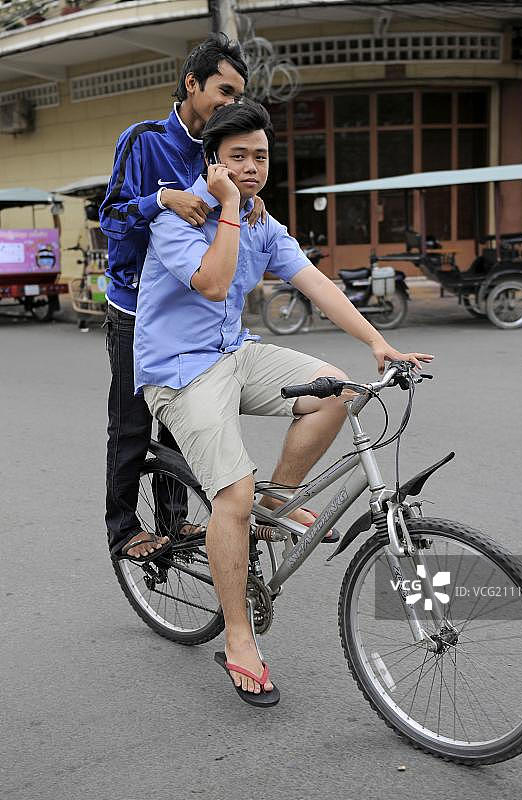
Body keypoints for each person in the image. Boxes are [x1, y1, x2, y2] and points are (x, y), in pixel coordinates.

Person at [133, 100, 434, 706]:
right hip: (180, 371)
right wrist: (224, 208)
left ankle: (280, 499)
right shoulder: (180, 217)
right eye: (237, 157)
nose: (251, 167)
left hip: (234, 353)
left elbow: (317, 284)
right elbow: (214, 283)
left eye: (260, 157)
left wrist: (379, 343)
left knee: (340, 392)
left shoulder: (264, 224)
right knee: (231, 495)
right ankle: (240, 640)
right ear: (213, 161)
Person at [99, 34, 266, 562]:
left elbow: (225, 217)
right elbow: (110, 218)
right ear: (192, 83)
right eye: (225, 90)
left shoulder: (216, 149)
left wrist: (248, 205)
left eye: (240, 95)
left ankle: (174, 521)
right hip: (133, 308)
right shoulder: (144, 139)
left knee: (181, 423)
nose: (232, 103)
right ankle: (123, 530)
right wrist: (161, 198)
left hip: (188, 312)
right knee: (131, 426)